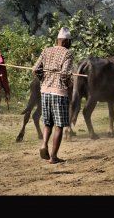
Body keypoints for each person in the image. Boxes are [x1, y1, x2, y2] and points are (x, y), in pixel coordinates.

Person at [32, 27, 74, 164]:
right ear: (66, 41)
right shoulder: (67, 53)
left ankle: (44, 144)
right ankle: (53, 157)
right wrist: (68, 84)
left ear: (57, 40)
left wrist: (43, 78)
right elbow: (64, 74)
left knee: (48, 123)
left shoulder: (46, 50)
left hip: (45, 91)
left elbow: (35, 69)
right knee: (59, 125)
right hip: (59, 93)